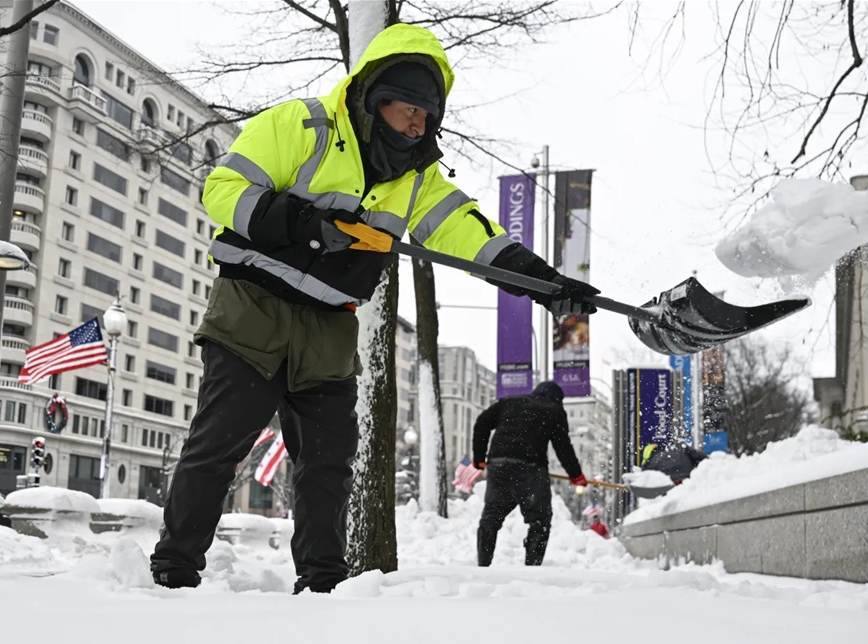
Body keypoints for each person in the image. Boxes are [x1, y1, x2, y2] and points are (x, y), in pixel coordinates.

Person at [150, 24, 598, 593]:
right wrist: (304, 224)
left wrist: (545, 282)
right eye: (408, 108)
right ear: (374, 98)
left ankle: (323, 585)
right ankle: (174, 568)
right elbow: (223, 189)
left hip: (331, 324)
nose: (418, 122)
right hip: (253, 308)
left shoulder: (418, 178)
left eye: (428, 112)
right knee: (219, 446)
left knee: (329, 464)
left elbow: (470, 234)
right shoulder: (300, 126)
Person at [472, 381, 588, 567]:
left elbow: (481, 423)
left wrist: (479, 458)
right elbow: (562, 446)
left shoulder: (509, 401)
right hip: (530, 469)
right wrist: (576, 475)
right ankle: (532, 567)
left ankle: (483, 564)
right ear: (557, 399)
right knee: (540, 520)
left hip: (498, 466)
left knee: (491, 517)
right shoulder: (554, 410)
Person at [641, 440, 705, 485]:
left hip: (669, 482)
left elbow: (644, 479)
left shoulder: (649, 464)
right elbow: (700, 457)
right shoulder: (679, 447)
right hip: (688, 476)